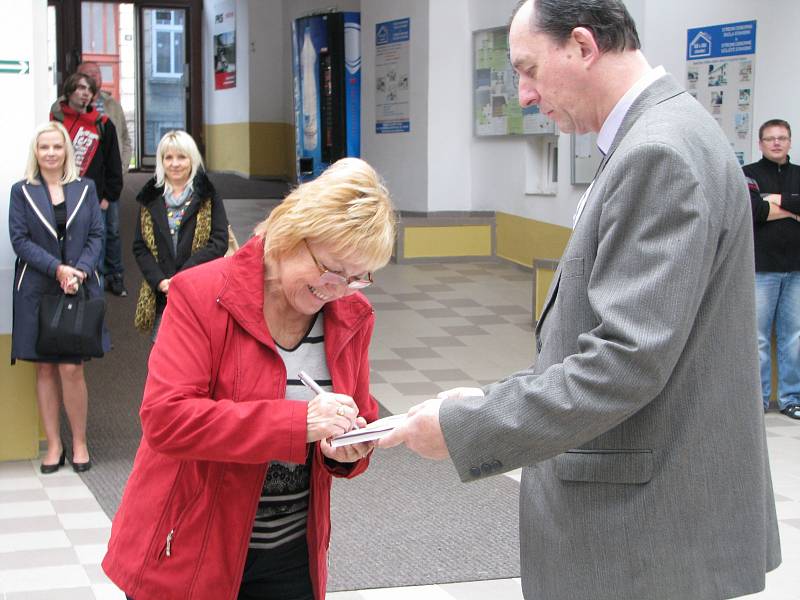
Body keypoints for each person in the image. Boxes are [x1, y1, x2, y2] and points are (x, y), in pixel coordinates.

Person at [380, 1, 781, 599]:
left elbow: (625, 361)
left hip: (644, 529)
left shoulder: (658, 152)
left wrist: (471, 426)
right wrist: (494, 395)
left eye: (529, 68)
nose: (523, 94)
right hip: (653, 514)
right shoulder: (659, 135)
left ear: (583, 46)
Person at [102, 157, 396, 600]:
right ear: (292, 235)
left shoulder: (351, 315)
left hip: (292, 554)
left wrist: (348, 447)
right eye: (333, 270)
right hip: (189, 547)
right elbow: (166, 419)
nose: (339, 289)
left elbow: (358, 414)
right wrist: (299, 425)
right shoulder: (202, 294)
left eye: (359, 278)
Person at [8, 121, 109, 473]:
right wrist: (58, 269)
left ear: (67, 150)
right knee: (46, 368)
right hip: (37, 289)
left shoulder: (86, 187)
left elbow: (97, 234)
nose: (50, 153)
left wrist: (78, 270)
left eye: (56, 146)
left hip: (77, 288)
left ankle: (79, 442)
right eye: (44, 148)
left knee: (72, 368)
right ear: (36, 153)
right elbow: (20, 241)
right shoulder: (21, 191)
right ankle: (54, 446)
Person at [132, 130, 229, 341]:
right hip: (162, 294)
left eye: (181, 157)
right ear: (161, 161)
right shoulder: (149, 198)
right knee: (162, 354)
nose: (175, 164)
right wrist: (161, 282)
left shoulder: (207, 195)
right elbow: (140, 247)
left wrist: (182, 277)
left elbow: (219, 241)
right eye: (168, 157)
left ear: (192, 159)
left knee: (198, 351)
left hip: (199, 291)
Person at [743, 119, 800, 420]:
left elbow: (765, 208)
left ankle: (791, 399)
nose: (776, 143)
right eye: (770, 139)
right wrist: (794, 208)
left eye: (782, 138)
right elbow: (752, 210)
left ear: (790, 142)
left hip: (796, 269)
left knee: (794, 337)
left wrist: (773, 203)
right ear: (761, 143)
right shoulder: (748, 174)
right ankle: (759, 399)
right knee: (758, 338)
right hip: (761, 268)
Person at [50, 72, 124, 293]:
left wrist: (108, 196)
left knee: (96, 247)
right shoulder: (57, 122)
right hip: (62, 194)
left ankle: (95, 293)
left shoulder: (103, 124)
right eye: (81, 88)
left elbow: (113, 163)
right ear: (70, 89)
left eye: (89, 90)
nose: (85, 94)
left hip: (95, 197)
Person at [76, 61, 133, 297]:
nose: (93, 78)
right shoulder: (66, 107)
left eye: (96, 74)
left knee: (113, 230)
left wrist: (120, 171)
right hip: (83, 185)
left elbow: (125, 140)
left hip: (110, 181)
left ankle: (115, 275)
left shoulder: (112, 105)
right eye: (88, 74)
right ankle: (93, 276)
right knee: (89, 231)